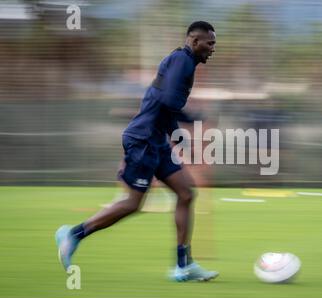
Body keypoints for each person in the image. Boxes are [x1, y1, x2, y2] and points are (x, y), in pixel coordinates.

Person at [55, 21, 218, 282]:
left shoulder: (180, 61)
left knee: (186, 193)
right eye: (210, 43)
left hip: (156, 141)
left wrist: (177, 136)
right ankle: (73, 234)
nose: (213, 49)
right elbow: (167, 101)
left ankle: (183, 266)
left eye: (214, 44)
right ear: (194, 41)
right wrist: (194, 116)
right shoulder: (183, 61)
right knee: (132, 204)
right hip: (143, 140)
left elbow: (163, 103)